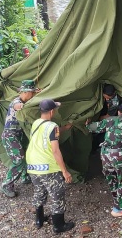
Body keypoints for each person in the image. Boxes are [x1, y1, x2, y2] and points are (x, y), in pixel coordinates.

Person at [26, 99, 75, 233]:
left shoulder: (36, 123)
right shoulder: (52, 126)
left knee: (39, 191)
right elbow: (55, 150)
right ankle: (58, 226)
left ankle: (39, 220)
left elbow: (48, 134)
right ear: (52, 111)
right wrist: (65, 171)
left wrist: (65, 128)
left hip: (32, 164)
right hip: (47, 166)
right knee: (57, 194)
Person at [86, 102, 122, 217]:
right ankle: (120, 207)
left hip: (104, 153)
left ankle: (117, 201)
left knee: (111, 179)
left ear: (119, 111)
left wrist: (88, 122)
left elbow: (91, 128)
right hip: (117, 154)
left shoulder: (110, 120)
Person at [0, 79, 37, 198]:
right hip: (10, 137)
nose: (33, 95)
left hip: (19, 135)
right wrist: (22, 106)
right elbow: (16, 106)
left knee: (26, 155)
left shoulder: (22, 99)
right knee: (19, 160)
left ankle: (24, 176)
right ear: (26, 92)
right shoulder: (16, 102)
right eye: (33, 93)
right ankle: (7, 184)